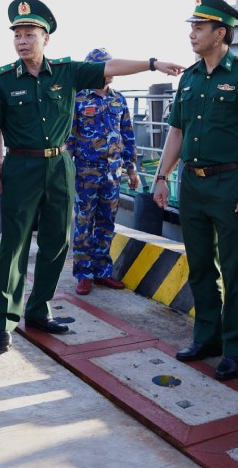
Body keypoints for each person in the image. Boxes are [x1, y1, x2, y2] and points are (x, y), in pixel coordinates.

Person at [0, 0, 182, 354]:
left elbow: (110, 67)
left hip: (60, 166)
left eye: (30, 34)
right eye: (18, 35)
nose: (22, 40)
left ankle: (39, 309)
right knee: (13, 246)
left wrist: (153, 63)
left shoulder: (68, 71)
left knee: (58, 241)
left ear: (46, 39)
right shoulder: (1, 80)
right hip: (21, 166)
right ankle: (3, 319)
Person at [152, 0, 238, 382]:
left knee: (237, 269)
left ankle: (237, 350)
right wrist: (162, 176)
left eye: (199, 27)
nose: (192, 33)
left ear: (220, 33)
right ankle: (208, 338)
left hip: (229, 183)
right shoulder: (188, 79)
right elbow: (176, 131)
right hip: (193, 184)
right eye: (192, 26)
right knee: (202, 266)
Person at [67, 47, 139, 295]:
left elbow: (127, 135)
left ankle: (102, 272)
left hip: (113, 171)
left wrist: (132, 170)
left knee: (107, 223)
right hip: (86, 171)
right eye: (103, 67)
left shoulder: (118, 99)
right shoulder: (78, 99)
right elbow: (70, 139)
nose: (109, 71)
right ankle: (83, 273)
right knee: (84, 223)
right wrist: (66, 172)